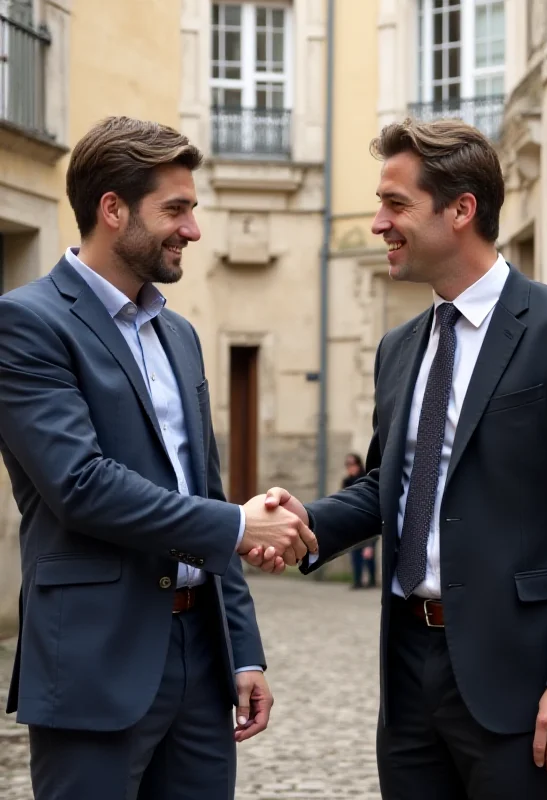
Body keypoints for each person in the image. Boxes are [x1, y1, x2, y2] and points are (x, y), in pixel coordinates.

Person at [254, 118, 547, 799]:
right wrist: (304, 522)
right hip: (408, 666)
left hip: (515, 677)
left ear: (461, 209)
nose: (378, 222)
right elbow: (391, 484)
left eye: (395, 204)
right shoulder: (399, 347)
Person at [0, 116, 316, 800]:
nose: (193, 230)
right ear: (112, 209)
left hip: (200, 665)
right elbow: (79, 484)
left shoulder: (180, 335)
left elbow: (203, 487)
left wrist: (244, 650)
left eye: (192, 210)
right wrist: (238, 526)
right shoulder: (27, 323)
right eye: (176, 209)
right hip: (93, 662)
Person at [342, 453, 377, 589]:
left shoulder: (365, 479)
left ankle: (372, 581)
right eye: (348, 465)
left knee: (368, 553)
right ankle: (357, 580)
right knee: (355, 553)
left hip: (367, 520)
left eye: (352, 464)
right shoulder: (346, 481)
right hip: (352, 521)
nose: (350, 468)